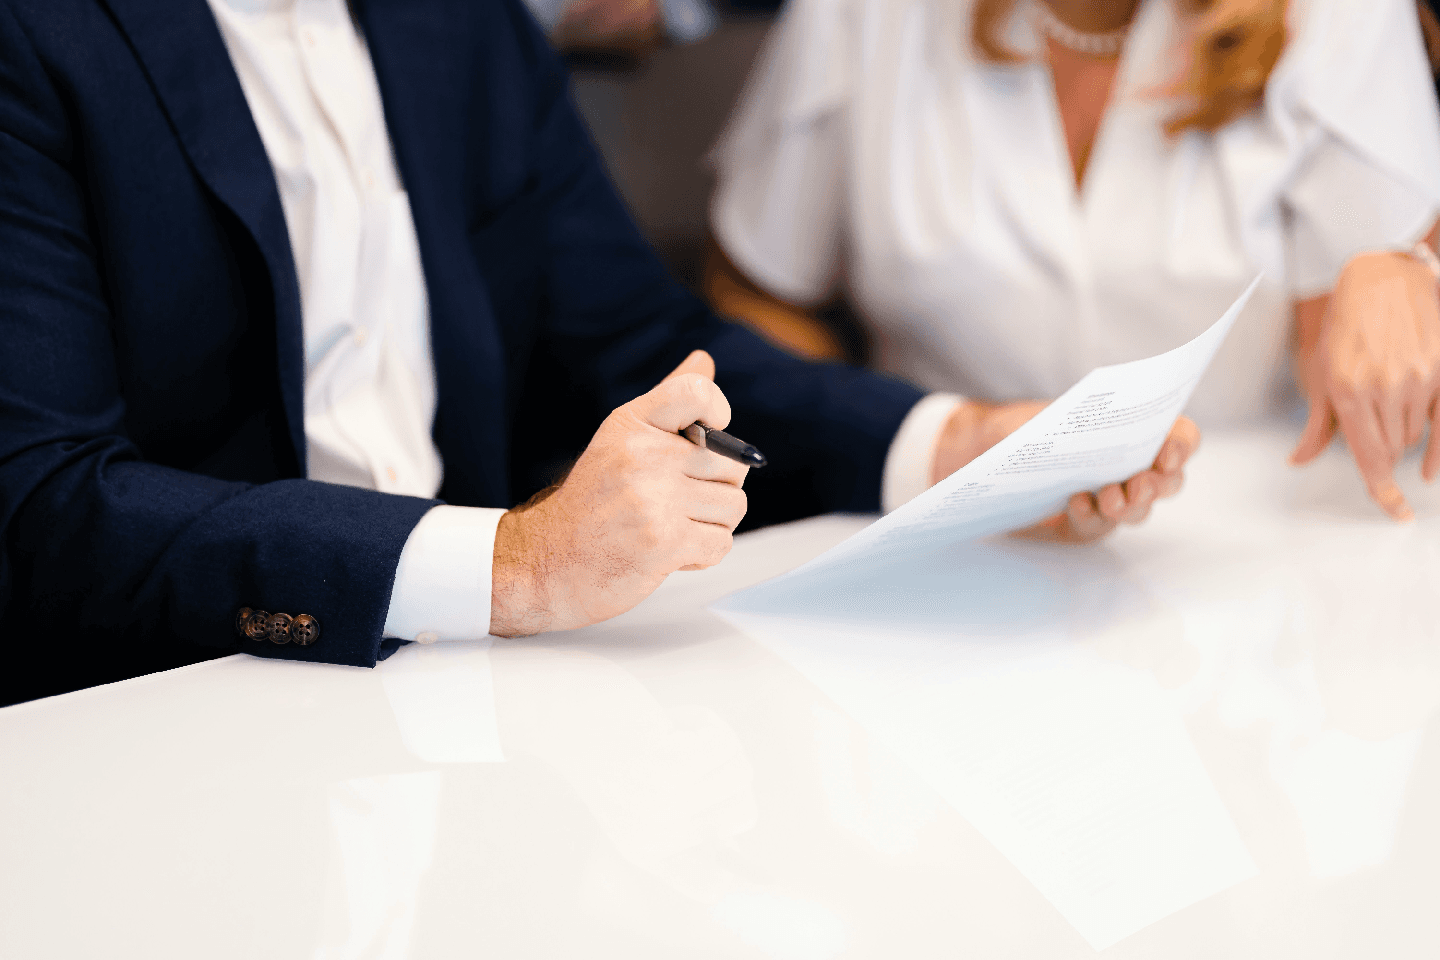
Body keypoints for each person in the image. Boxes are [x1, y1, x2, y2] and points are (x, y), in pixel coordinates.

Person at [0, 0, 1196, 707]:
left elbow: (633, 341)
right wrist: (516, 564)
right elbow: (41, 498)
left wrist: (951, 447)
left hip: (480, 698)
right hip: (156, 712)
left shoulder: (459, 22)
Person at [706, 0, 1440, 521]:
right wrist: (873, 448)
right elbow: (758, 287)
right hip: (943, 528)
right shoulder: (864, 15)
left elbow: (1364, 360)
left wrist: (1403, 279)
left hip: (1263, 543)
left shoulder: (1340, 15)